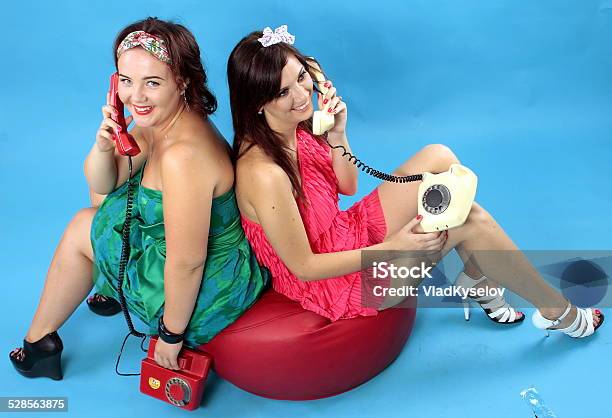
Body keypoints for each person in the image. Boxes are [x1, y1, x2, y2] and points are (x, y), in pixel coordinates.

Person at [227, 25, 603, 336]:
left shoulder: (297, 125)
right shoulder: (265, 174)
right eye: (282, 92)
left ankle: (475, 279)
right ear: (256, 103)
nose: (301, 96)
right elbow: (305, 267)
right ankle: (559, 311)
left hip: (346, 232)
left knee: (439, 157)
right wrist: (394, 247)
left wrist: (338, 133)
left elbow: (347, 188)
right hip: (337, 283)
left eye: (302, 78)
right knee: (468, 219)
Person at [9, 17, 268, 380]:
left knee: (82, 227)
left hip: (208, 285)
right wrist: (104, 144)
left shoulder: (183, 157)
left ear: (182, 81)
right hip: (175, 253)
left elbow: (188, 262)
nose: (136, 97)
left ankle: (38, 345)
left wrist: (170, 335)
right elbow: (106, 180)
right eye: (126, 81)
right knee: (105, 202)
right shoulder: (165, 120)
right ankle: (111, 291)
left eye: (152, 82)